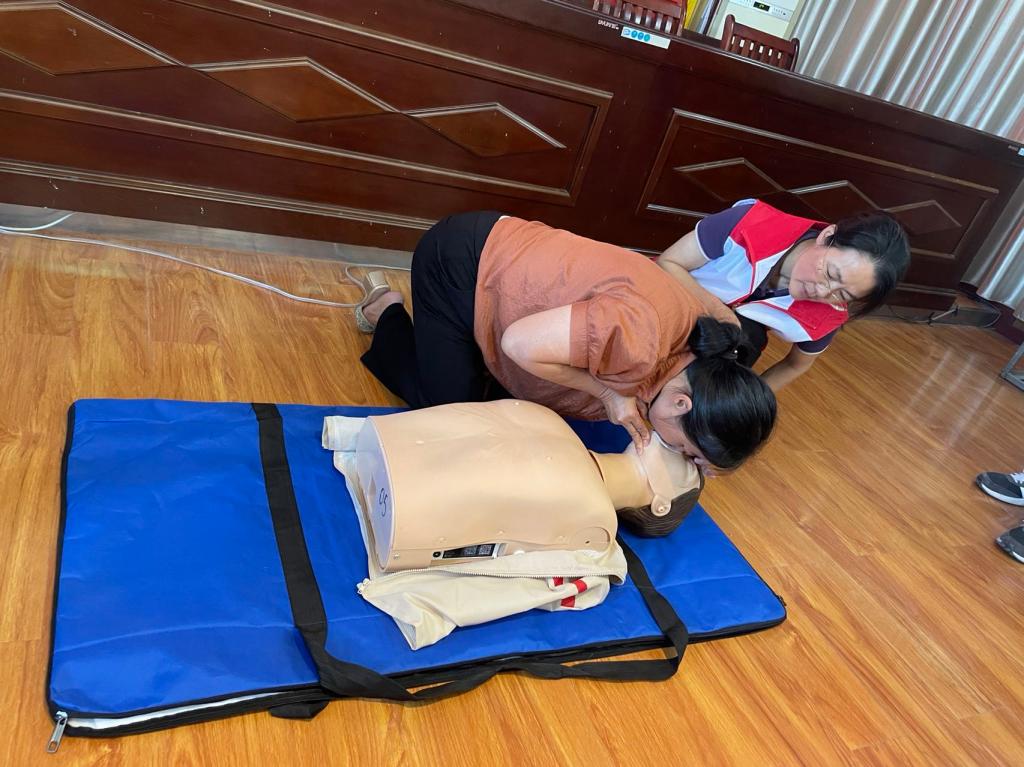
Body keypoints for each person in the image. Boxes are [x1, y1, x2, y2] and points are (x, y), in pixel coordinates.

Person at [355, 211, 776, 471]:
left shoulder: (721, 339)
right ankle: (385, 310)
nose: (684, 458)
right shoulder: (640, 340)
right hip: (460, 263)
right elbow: (519, 344)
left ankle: (464, 352)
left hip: (516, 262)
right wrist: (608, 394)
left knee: (505, 409)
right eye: (689, 452)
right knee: (449, 415)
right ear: (681, 403)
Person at [656, 199, 911, 391]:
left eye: (842, 293)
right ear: (827, 236)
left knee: (746, 340)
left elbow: (796, 364)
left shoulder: (827, 315)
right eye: (831, 273)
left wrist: (748, 401)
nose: (823, 291)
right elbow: (668, 263)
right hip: (663, 305)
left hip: (707, 347)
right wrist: (720, 312)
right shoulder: (750, 222)